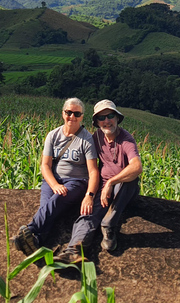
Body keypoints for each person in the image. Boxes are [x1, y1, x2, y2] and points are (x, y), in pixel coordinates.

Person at [55, 99, 142, 263]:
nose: (106, 121)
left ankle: (109, 224)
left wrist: (111, 182)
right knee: (88, 212)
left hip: (123, 188)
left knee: (131, 179)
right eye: (102, 118)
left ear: (117, 118)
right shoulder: (97, 137)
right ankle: (74, 249)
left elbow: (136, 166)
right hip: (103, 188)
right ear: (97, 122)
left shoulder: (126, 140)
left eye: (110, 116)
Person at [11, 97, 100, 256]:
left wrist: (89, 195)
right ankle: (36, 241)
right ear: (63, 113)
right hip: (52, 180)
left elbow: (93, 171)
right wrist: (54, 185)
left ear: (82, 117)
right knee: (47, 207)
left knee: (55, 201)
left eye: (77, 114)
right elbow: (45, 165)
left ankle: (29, 230)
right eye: (68, 112)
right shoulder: (53, 135)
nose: (72, 117)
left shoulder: (86, 140)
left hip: (76, 182)